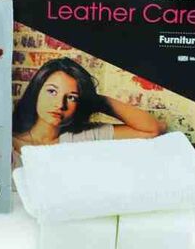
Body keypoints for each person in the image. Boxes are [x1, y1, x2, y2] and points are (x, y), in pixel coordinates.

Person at [12, 58, 166, 168]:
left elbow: (153, 129)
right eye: (52, 91)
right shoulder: (7, 143)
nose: (60, 104)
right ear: (37, 91)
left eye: (71, 97)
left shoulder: (83, 136)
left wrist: (97, 101)